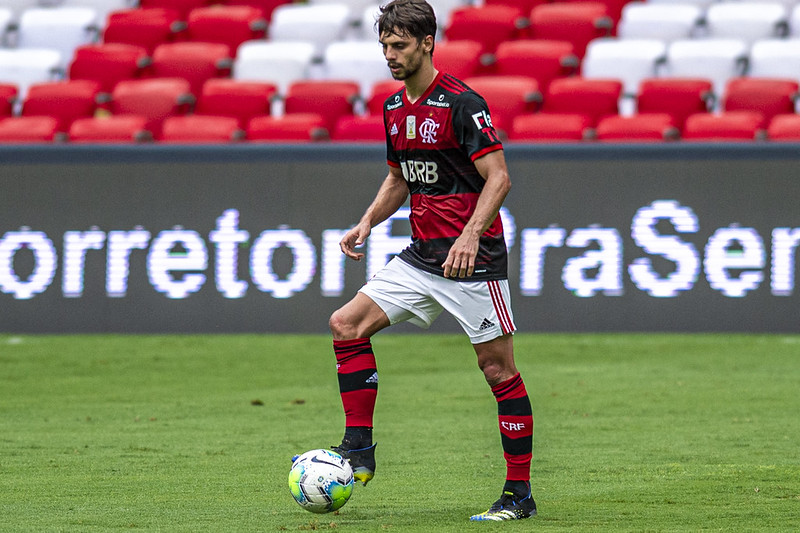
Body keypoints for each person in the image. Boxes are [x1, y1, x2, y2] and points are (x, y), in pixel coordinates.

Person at [328, 0, 535, 521]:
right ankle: (358, 447)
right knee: (346, 325)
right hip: (421, 256)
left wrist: (470, 236)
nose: (390, 55)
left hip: (472, 263)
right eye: (384, 46)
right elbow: (399, 178)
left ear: (426, 42)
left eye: (399, 45)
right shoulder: (394, 107)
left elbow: (500, 178)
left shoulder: (463, 103)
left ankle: (519, 493)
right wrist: (368, 221)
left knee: (497, 370)